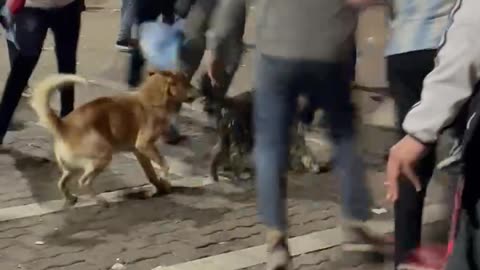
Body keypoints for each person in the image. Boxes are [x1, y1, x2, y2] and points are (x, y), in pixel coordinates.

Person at [206, 0, 389, 269]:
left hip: (276, 50)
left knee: (270, 146)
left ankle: (276, 240)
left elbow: (232, 4)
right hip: (329, 52)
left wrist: (215, 44)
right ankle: (354, 224)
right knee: (344, 136)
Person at [386, 0, 480, 268]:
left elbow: (473, 28)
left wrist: (419, 132)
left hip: (406, 50)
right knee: (454, 151)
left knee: (414, 166)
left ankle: (405, 257)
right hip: (435, 46)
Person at [0, 0, 83, 147]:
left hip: (68, 6)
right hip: (32, 6)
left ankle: (68, 127)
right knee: (23, 66)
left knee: (67, 66)